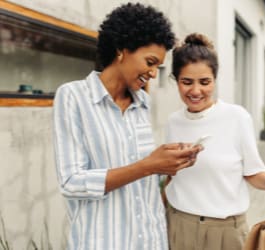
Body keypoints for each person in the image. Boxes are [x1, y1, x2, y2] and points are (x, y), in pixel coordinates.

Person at [53, 3, 201, 250]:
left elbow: (143, 174)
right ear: (121, 50)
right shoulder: (73, 97)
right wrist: (148, 166)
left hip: (150, 240)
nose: (154, 74)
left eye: (158, 67)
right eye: (150, 62)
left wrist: (169, 162)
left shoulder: (142, 102)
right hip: (103, 242)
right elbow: (71, 182)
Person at [164, 33, 265, 250]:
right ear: (176, 80)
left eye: (204, 82)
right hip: (180, 225)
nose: (196, 91)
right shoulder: (173, 122)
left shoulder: (237, 117)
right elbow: (170, 177)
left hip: (226, 231)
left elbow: (252, 172)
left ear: (215, 80)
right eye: (186, 82)